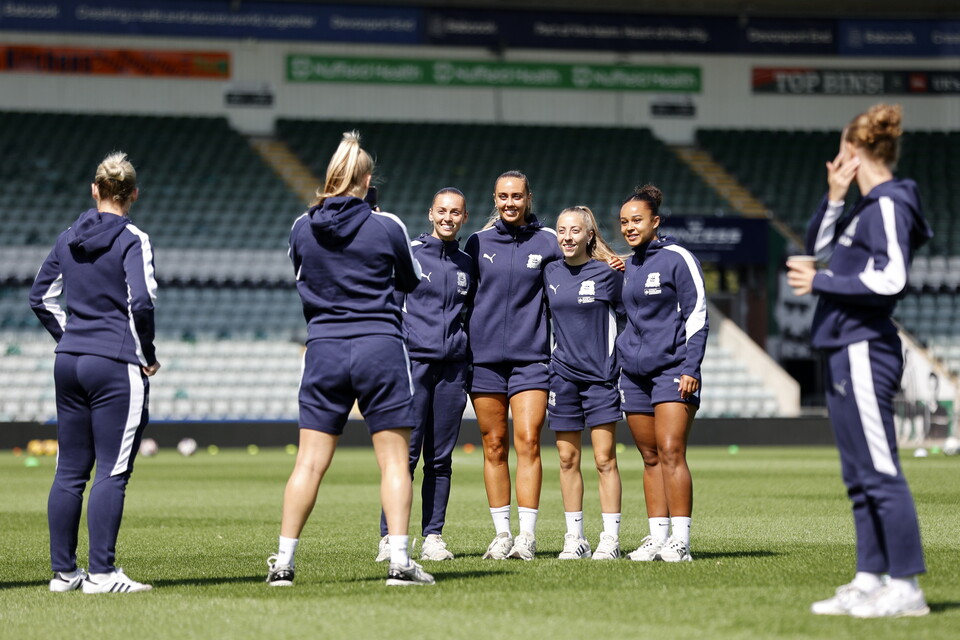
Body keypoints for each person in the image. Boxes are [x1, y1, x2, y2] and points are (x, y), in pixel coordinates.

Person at [266, 131, 433, 587]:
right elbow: (412, 280)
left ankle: (283, 562)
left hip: (323, 348)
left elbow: (301, 272)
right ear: (365, 179)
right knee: (395, 462)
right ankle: (399, 562)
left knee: (309, 463)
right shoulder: (387, 225)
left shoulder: (301, 227)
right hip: (379, 344)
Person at [788, 104, 931, 618]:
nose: (837, 158)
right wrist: (834, 196)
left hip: (865, 346)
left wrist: (820, 282)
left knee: (880, 468)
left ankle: (907, 587)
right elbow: (819, 245)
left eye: (841, 149)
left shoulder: (892, 202)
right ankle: (871, 579)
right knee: (858, 474)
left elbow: (892, 279)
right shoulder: (864, 207)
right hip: (841, 346)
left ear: (855, 149)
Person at [29, 152, 159, 594]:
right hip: (114, 364)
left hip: (69, 361)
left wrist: (72, 336)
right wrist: (147, 354)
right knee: (112, 471)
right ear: (133, 195)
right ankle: (102, 574)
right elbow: (140, 303)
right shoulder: (133, 239)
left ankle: (64, 574)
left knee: (69, 470)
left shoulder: (67, 238)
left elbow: (39, 297)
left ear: (94, 190)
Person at [465, 170, 562, 560]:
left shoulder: (548, 241)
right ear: (494, 197)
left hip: (531, 361)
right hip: (484, 361)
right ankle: (502, 534)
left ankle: (527, 536)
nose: (510, 203)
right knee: (493, 445)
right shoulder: (477, 242)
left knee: (528, 442)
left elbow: (582, 258)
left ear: (528, 198)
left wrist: (611, 259)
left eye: (517, 196)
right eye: (503, 196)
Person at [375, 188, 472, 562]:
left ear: (464, 217)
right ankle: (390, 538)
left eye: (456, 212)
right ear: (431, 213)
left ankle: (433, 536)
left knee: (441, 459)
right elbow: (388, 307)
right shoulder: (411, 254)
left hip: (453, 370)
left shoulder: (468, 262)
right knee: (405, 456)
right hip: (413, 367)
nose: (448, 217)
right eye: (442, 211)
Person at [617, 185, 708, 563]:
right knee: (650, 456)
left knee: (672, 451)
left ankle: (680, 541)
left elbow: (698, 313)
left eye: (637, 220)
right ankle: (657, 537)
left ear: (655, 221)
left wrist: (691, 367)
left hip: (673, 370)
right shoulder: (629, 265)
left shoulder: (677, 258)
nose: (629, 227)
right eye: (624, 222)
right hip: (633, 376)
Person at [544, 206, 624, 560]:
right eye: (562, 230)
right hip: (562, 378)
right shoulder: (549, 272)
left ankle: (610, 538)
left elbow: (629, 319)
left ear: (589, 235)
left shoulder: (609, 274)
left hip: (600, 380)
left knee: (605, 460)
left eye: (575, 230)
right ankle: (575, 537)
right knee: (566, 459)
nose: (567, 237)